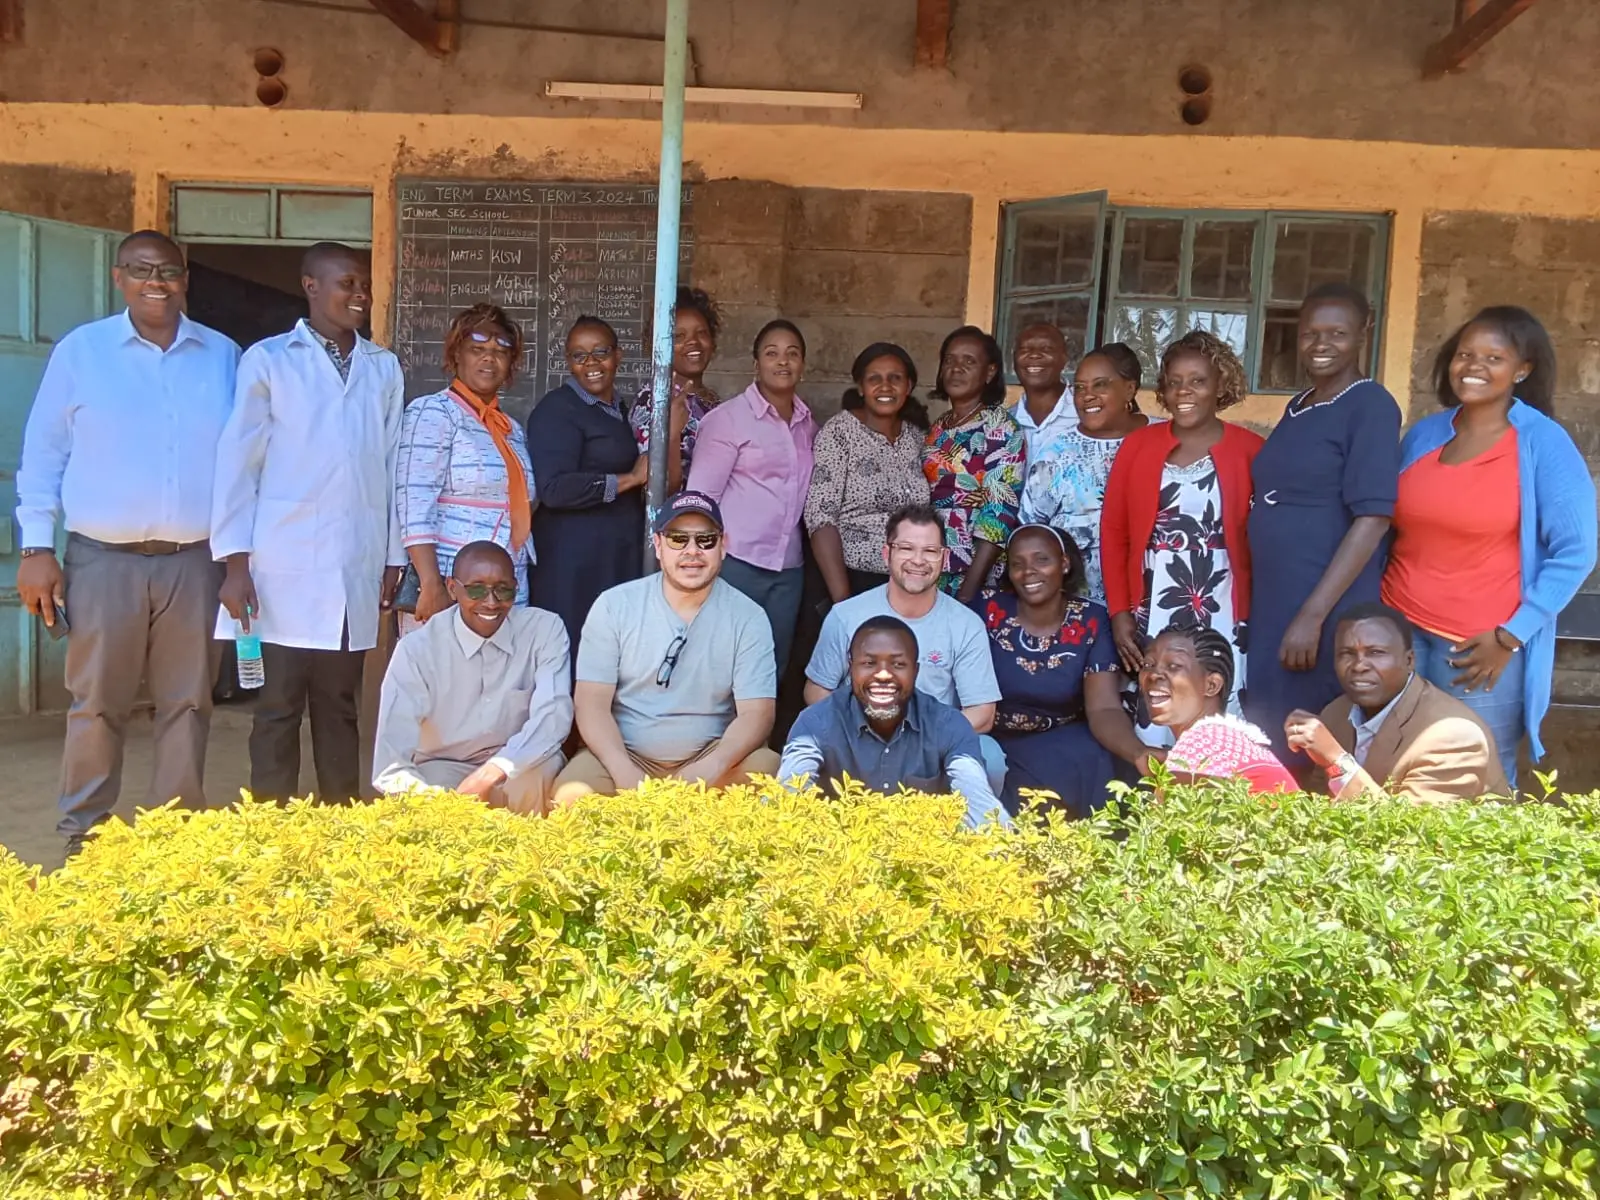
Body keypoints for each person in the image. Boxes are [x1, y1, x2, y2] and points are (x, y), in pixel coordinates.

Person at [15, 231, 240, 856]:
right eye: (141, 270)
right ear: (119, 278)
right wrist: (37, 548)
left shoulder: (222, 355)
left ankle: (172, 838)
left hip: (195, 562)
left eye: (169, 271)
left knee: (187, 703)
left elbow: (247, 460)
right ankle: (82, 832)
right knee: (97, 704)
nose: (156, 282)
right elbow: (43, 453)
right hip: (101, 560)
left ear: (186, 278)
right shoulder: (82, 353)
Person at [212, 241, 404, 805]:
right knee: (276, 708)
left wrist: (391, 555)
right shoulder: (270, 360)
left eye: (364, 284)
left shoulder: (382, 367)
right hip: (279, 568)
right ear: (311, 286)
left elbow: (391, 465)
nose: (360, 294)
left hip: (354, 565)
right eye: (346, 283)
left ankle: (339, 823)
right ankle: (273, 830)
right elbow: (237, 463)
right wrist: (235, 565)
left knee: (340, 708)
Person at [1382, 306, 1597, 786]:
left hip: (1479, 647)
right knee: (1397, 763)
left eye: (1493, 358)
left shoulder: (1543, 443)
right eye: (1464, 354)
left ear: (1522, 370)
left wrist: (1510, 636)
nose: (1473, 366)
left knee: (1481, 774)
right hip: (1401, 630)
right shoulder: (1425, 435)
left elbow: (1577, 551)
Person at [1247, 284, 1401, 766]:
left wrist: (1312, 617)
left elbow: (1373, 517)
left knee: (1313, 736)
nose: (1320, 343)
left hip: (1323, 604)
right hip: (1280, 599)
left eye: (1337, 332)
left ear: (1363, 334)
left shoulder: (1369, 404)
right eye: (1311, 332)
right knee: (1271, 729)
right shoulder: (1301, 404)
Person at [553, 491, 780, 802]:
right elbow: (591, 703)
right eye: (677, 539)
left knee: (771, 774)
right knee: (572, 797)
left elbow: (758, 713)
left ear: (723, 546)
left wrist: (710, 767)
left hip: (711, 757)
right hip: (625, 754)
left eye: (705, 540)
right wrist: (624, 772)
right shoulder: (614, 605)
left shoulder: (749, 617)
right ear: (658, 545)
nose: (692, 551)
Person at [1101, 330, 1263, 732]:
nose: (1183, 391)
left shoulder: (1251, 449)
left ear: (1219, 386)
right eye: (1174, 382)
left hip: (1223, 596)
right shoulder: (1139, 445)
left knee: (1218, 703)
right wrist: (1120, 612)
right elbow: (1114, 532)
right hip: (1154, 595)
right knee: (1158, 696)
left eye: (1197, 381)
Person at [804, 504, 1006, 791]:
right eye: (907, 548)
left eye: (930, 551)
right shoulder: (846, 615)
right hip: (858, 737)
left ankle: (965, 836)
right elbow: (816, 689)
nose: (918, 560)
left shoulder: (965, 624)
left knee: (990, 758)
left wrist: (919, 739)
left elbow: (983, 713)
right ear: (887, 554)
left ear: (944, 558)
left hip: (933, 742)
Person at [372, 541, 570, 813]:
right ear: (452, 588)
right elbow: (391, 765)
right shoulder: (417, 650)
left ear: (516, 587)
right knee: (421, 804)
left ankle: (531, 857)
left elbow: (553, 719)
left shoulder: (544, 630)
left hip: (522, 758)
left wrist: (494, 770)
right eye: (476, 589)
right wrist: (441, 806)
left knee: (529, 782)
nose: (491, 602)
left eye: (503, 590)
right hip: (443, 764)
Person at [974, 525, 1156, 817]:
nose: (1028, 571)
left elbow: (1104, 708)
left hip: (1062, 739)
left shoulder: (1091, 620)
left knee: (1095, 759)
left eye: (1041, 560)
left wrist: (1138, 753)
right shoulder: (987, 609)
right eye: (1017, 564)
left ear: (1065, 563)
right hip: (995, 740)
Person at [779, 616, 1008, 830]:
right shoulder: (816, 724)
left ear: (915, 670)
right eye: (869, 663)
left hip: (921, 855)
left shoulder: (948, 725)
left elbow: (980, 805)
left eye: (898, 664)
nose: (883, 675)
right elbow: (787, 800)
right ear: (851, 667)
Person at [687, 319, 817, 676]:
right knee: (723, 663)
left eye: (792, 354)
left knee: (771, 666)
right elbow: (701, 500)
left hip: (788, 570)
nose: (783, 362)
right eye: (771, 353)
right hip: (736, 563)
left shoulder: (808, 423)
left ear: (803, 365)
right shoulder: (727, 420)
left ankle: (760, 734)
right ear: (755, 364)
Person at [395, 304, 536, 628]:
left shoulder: (510, 429)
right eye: (477, 349)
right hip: (451, 585)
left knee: (500, 677)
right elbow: (414, 504)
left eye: (500, 352)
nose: (489, 358)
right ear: (457, 355)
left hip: (505, 587)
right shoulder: (434, 412)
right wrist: (431, 584)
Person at [1285, 603, 1508, 803]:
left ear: (1409, 660)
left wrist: (1337, 760)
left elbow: (1411, 835)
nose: (1359, 665)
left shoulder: (1454, 737)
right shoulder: (1335, 713)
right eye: (1347, 653)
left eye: (1375, 652)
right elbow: (1318, 803)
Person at [524, 315, 647, 654]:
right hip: (572, 563)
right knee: (574, 654)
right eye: (579, 356)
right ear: (569, 362)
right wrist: (630, 479)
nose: (591, 363)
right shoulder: (558, 410)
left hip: (612, 557)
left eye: (600, 352)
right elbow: (554, 489)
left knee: (608, 654)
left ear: (618, 356)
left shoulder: (621, 409)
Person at [1018, 343, 1150, 605]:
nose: (1087, 395)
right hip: (1076, 611)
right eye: (1079, 387)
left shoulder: (1161, 440)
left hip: (1152, 603)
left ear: (1130, 388)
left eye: (1100, 385)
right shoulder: (1056, 454)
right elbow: (1031, 531)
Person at [805, 342, 932, 603]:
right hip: (854, 580)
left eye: (895, 378)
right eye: (874, 378)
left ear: (908, 387)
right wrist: (843, 602)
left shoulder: (917, 438)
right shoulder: (840, 433)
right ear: (861, 387)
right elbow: (821, 518)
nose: (885, 386)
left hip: (911, 582)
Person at [922, 326, 1026, 601]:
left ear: (990, 372)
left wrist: (969, 590)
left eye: (969, 361)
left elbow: (999, 511)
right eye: (949, 360)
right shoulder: (937, 427)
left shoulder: (1000, 426)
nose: (957, 368)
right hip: (928, 564)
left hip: (975, 573)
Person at [1140, 625, 1296, 794]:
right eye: (1148, 664)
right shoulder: (1221, 739)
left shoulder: (1203, 744)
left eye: (1174, 666)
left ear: (1212, 685)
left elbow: (1166, 817)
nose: (1154, 674)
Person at [629, 286, 722, 495]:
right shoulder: (654, 400)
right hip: (675, 524)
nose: (693, 342)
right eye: (678, 336)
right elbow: (658, 490)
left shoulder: (713, 402)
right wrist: (671, 436)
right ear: (660, 346)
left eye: (702, 333)